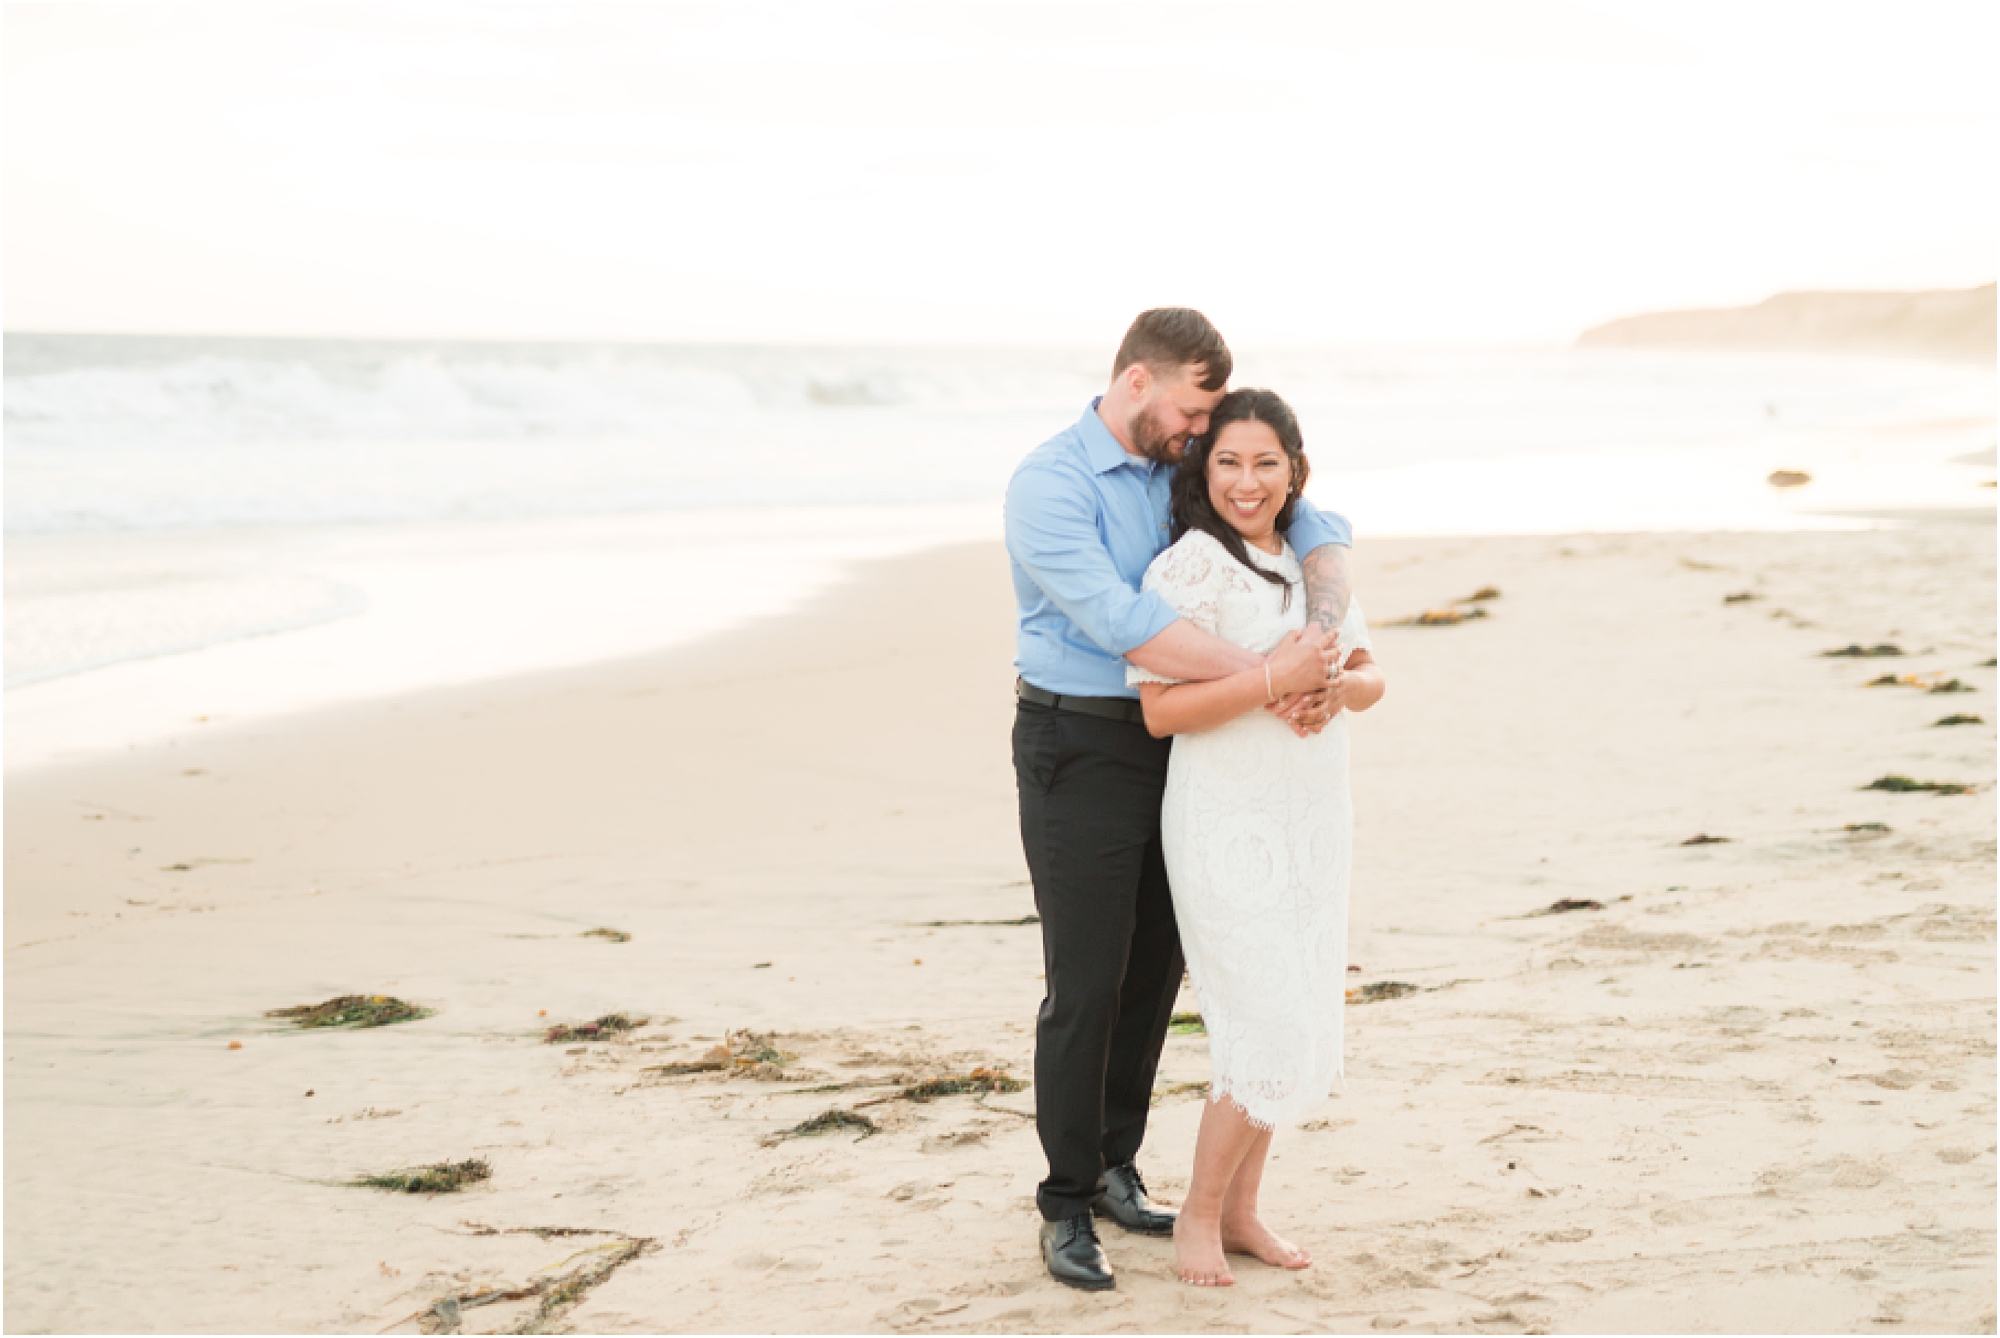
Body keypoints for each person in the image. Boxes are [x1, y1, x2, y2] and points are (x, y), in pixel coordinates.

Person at [1005, 309, 1353, 1292]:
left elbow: (1312, 522)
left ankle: (1117, 1166)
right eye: (1192, 409)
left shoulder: (1173, 461)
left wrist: (1314, 637)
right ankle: (1065, 1201)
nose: (1199, 434)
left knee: (1153, 972)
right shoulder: (1049, 484)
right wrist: (1272, 672)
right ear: (1134, 383)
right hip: (1077, 741)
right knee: (1085, 981)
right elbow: (1124, 622)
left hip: (1189, 750)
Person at [1129, 388, 1385, 1286]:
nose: (1247, 481)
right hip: (1226, 820)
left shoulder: (1308, 563)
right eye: (1229, 462)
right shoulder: (1192, 568)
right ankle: (1197, 1213)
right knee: (1259, 1021)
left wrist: (1334, 691)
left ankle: (1241, 1211)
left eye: (1265, 463)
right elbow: (1160, 712)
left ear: (1294, 471)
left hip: (1313, 815)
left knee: (1301, 1007)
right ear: (1205, 471)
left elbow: (1368, 670)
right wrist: (1273, 681)